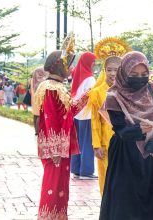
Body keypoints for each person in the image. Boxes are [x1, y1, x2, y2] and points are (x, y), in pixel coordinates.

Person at [99, 51, 153, 220]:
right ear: (124, 73)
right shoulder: (114, 95)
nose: (140, 78)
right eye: (134, 74)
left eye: (144, 74)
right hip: (125, 156)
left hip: (150, 154)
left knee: (152, 200)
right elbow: (120, 129)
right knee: (124, 203)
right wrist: (139, 130)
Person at [35, 36, 89, 219]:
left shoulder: (55, 86)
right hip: (55, 148)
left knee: (60, 187)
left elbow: (68, 112)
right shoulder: (51, 87)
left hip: (60, 146)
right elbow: (51, 120)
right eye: (68, 65)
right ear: (60, 66)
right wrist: (56, 149)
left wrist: (87, 96)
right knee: (53, 185)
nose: (71, 68)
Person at [89, 56, 121, 196]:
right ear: (104, 71)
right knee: (106, 177)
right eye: (109, 70)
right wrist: (96, 145)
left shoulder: (126, 91)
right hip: (105, 143)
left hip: (124, 141)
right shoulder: (96, 93)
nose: (113, 73)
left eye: (116, 70)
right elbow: (95, 121)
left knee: (122, 177)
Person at [70, 52, 97, 180]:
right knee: (87, 143)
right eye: (93, 61)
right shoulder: (90, 78)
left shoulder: (77, 76)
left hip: (77, 114)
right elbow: (92, 97)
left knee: (79, 143)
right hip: (88, 114)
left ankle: (76, 169)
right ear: (87, 62)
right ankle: (86, 171)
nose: (95, 64)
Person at [30, 67, 49, 135]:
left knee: (35, 115)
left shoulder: (33, 79)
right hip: (39, 99)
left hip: (34, 99)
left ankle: (36, 131)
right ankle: (39, 131)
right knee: (39, 115)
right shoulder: (41, 81)